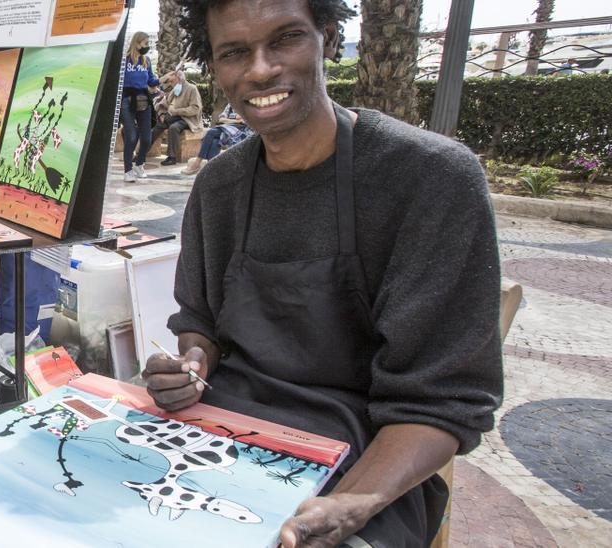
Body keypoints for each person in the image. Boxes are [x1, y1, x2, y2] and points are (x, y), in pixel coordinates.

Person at [148, 1, 503, 546]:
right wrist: (191, 363)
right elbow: (201, 323)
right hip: (223, 433)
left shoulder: (430, 179)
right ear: (216, 68)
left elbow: (441, 402)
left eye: (285, 39)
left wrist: (348, 506)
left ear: (329, 39)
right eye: (235, 53)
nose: (261, 70)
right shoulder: (218, 187)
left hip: (369, 456)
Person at [120, 31, 159, 182]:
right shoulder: (125, 61)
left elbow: (151, 81)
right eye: (145, 44)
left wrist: (162, 80)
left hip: (143, 99)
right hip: (126, 100)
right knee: (131, 136)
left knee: (147, 138)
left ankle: (139, 163)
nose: (147, 47)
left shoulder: (146, 61)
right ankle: (128, 170)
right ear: (136, 43)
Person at [181, 104, 255, 175]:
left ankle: (198, 162)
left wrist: (230, 119)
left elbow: (246, 120)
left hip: (242, 131)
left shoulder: (246, 104)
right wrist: (236, 120)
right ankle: (212, 171)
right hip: (227, 128)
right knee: (215, 141)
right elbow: (221, 119)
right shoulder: (230, 105)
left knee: (211, 132)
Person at [149, 70, 203, 167]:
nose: (170, 84)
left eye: (172, 81)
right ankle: (143, 151)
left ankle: (172, 157)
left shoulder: (192, 89)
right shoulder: (175, 89)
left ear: (179, 79)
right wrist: (161, 114)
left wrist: (177, 111)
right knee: (158, 126)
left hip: (187, 119)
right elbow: (163, 104)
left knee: (174, 127)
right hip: (173, 116)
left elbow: (195, 108)